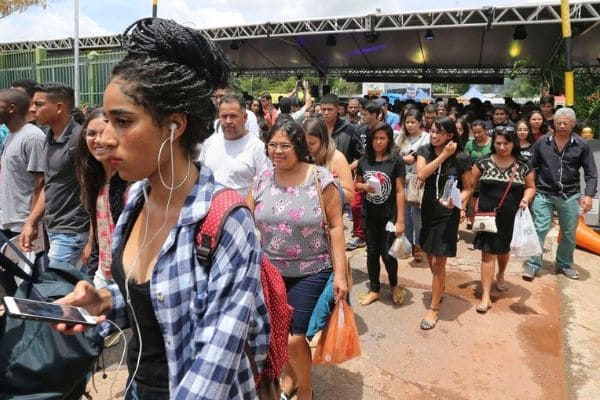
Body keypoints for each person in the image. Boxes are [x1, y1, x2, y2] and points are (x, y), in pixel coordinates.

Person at [55, 18, 269, 399]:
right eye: (106, 120)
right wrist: (102, 302)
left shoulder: (227, 222)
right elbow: (154, 301)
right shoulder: (136, 198)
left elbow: (214, 370)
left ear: (175, 126)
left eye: (122, 121)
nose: (103, 136)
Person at [248, 120, 347, 400]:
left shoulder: (320, 178)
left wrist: (340, 274)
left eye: (285, 146)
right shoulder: (262, 179)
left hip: (311, 270)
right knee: (276, 336)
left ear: (299, 147)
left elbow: (337, 226)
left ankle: (306, 388)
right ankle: (289, 377)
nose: (277, 151)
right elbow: (245, 218)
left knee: (294, 337)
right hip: (269, 270)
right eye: (272, 145)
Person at [523, 107, 597, 281]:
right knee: (540, 228)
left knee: (569, 232)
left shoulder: (582, 145)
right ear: (553, 124)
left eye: (566, 123)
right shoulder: (542, 142)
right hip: (544, 192)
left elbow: (591, 173)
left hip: (570, 194)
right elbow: (529, 166)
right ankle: (533, 264)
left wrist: (589, 195)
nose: (562, 126)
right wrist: (530, 188)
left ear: (573, 124)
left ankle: (564, 263)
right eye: (558, 123)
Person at [23, 82, 90, 267]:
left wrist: (93, 239)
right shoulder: (48, 136)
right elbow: (50, 184)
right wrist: (32, 222)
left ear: (59, 107)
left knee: (52, 289)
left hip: (72, 231)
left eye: (39, 104)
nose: (32, 109)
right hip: (54, 228)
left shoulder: (79, 140)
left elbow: (93, 189)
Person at [469, 127, 535, 313]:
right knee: (487, 254)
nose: (502, 147)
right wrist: (470, 210)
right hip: (487, 216)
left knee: (504, 251)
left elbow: (531, 187)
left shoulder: (523, 166)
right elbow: (472, 187)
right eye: (498, 143)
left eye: (506, 143)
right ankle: (485, 296)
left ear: (513, 144)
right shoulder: (482, 163)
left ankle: (501, 274)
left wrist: (525, 198)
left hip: (511, 217)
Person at [416, 116, 472, 330]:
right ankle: (439, 285)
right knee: (431, 256)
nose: (433, 135)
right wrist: (443, 156)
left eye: (438, 132)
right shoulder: (425, 151)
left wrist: (461, 203)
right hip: (428, 210)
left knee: (440, 261)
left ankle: (434, 308)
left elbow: (467, 187)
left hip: (448, 214)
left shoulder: (462, 158)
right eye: (431, 131)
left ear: (450, 135)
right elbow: (421, 174)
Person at [75, 107, 129, 288]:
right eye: (91, 134)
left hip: (125, 276)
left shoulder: (130, 182)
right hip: (102, 271)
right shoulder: (93, 177)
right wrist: (91, 242)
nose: (98, 140)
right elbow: (97, 218)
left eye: (104, 133)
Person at [355, 122, 406, 306]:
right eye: (375, 138)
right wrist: (363, 187)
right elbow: (357, 184)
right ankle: (374, 289)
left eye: (382, 138)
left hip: (389, 216)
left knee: (388, 254)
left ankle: (394, 285)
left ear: (389, 139)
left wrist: (400, 220)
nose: (378, 142)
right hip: (369, 214)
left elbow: (400, 191)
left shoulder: (396, 161)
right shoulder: (364, 160)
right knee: (371, 252)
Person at [199, 93, 270, 196]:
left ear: (245, 117)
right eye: (224, 116)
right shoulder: (210, 142)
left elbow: (264, 186)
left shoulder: (258, 148)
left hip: (241, 209)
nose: (228, 121)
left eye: (233, 116)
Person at [0, 89, 45, 239]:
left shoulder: (32, 137)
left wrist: (31, 223)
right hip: (7, 220)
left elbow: (41, 183)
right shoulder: (11, 136)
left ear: (11, 108)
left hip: (23, 225)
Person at [346, 101, 382, 250]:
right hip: (362, 173)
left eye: (366, 114)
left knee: (377, 207)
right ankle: (360, 235)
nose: (362, 116)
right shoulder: (360, 129)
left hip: (379, 173)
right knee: (355, 205)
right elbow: (358, 153)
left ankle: (376, 237)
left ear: (374, 115)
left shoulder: (383, 131)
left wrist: (348, 167)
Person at [396, 108, 429, 263]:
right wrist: (403, 160)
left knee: (418, 215)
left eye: (413, 122)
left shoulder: (427, 138)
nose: (409, 125)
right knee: (404, 214)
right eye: (407, 122)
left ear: (420, 122)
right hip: (402, 179)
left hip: (418, 181)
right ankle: (407, 245)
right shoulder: (399, 138)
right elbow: (393, 157)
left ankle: (419, 246)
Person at [303, 117, 354, 204]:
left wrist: (323, 191)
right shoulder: (301, 156)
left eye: (312, 143)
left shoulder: (336, 158)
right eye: (304, 143)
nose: (307, 147)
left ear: (323, 141)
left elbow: (350, 196)